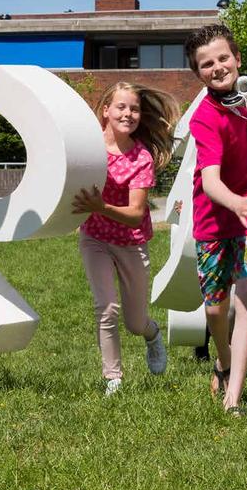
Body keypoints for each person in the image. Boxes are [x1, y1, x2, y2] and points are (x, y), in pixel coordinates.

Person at [184, 24, 247, 417]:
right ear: (198, 73)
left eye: (223, 58)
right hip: (215, 221)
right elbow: (209, 182)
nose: (218, 67)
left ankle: (234, 398)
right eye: (207, 64)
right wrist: (235, 202)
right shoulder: (204, 117)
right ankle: (222, 361)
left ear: (238, 59)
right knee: (215, 311)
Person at [73, 81, 179, 396]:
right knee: (106, 308)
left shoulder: (141, 157)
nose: (128, 113)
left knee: (135, 322)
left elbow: (135, 213)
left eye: (134, 108)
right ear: (106, 110)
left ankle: (153, 334)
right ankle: (113, 379)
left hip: (131, 241)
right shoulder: (88, 147)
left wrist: (100, 206)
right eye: (121, 106)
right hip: (95, 238)